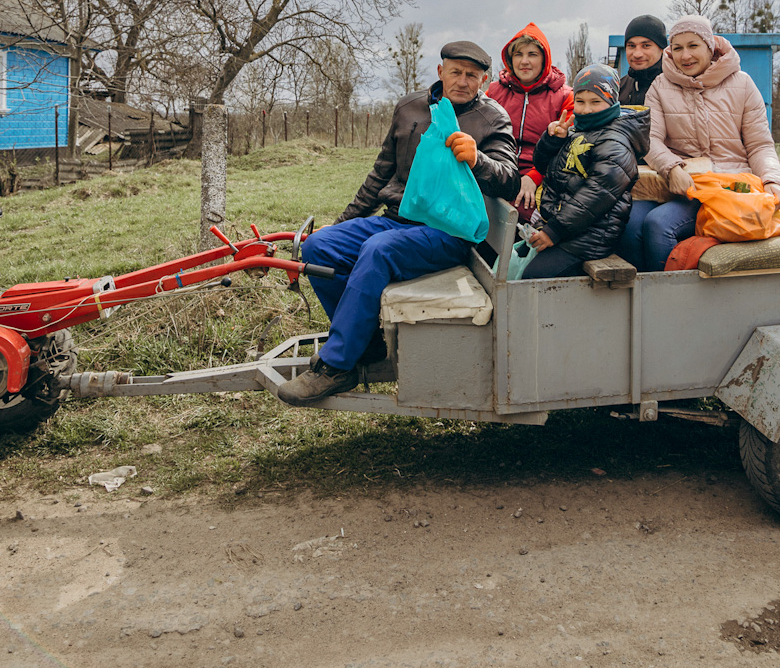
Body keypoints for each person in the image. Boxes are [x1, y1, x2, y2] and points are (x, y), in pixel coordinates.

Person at [278, 41, 519, 406]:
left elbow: (509, 180)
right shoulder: (410, 108)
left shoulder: (492, 119)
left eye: (472, 75)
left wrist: (478, 160)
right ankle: (368, 344)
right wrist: (341, 222)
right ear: (441, 72)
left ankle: (336, 367)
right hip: (393, 220)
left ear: (484, 80)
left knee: (378, 251)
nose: (463, 81)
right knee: (317, 247)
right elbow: (380, 175)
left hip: (446, 233)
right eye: (456, 71)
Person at [618, 15, 780, 272]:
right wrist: (671, 168)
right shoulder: (661, 86)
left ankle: (675, 300)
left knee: (659, 225)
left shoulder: (742, 84)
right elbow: (650, 139)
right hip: (684, 186)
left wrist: (773, 180)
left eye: (693, 46)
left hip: (730, 185)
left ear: (710, 46)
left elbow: (760, 145)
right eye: (677, 48)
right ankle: (639, 297)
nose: (685, 56)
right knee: (629, 221)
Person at [519, 64, 650, 279]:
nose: (586, 109)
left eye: (595, 102)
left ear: (611, 101)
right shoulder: (577, 130)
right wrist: (552, 141)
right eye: (580, 101)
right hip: (566, 229)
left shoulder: (616, 142)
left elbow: (595, 195)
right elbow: (544, 167)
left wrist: (554, 231)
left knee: (533, 277)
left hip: (590, 237)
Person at [486, 23, 571, 221]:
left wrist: (534, 176)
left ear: (544, 59)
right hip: (499, 169)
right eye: (518, 54)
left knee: (526, 209)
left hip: (543, 174)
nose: (524, 61)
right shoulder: (493, 93)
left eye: (532, 54)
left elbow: (568, 151)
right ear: (510, 59)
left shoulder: (565, 97)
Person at [617, 14, 668, 107]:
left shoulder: (678, 87)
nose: (637, 54)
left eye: (646, 46)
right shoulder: (618, 88)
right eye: (631, 46)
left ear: (662, 49)